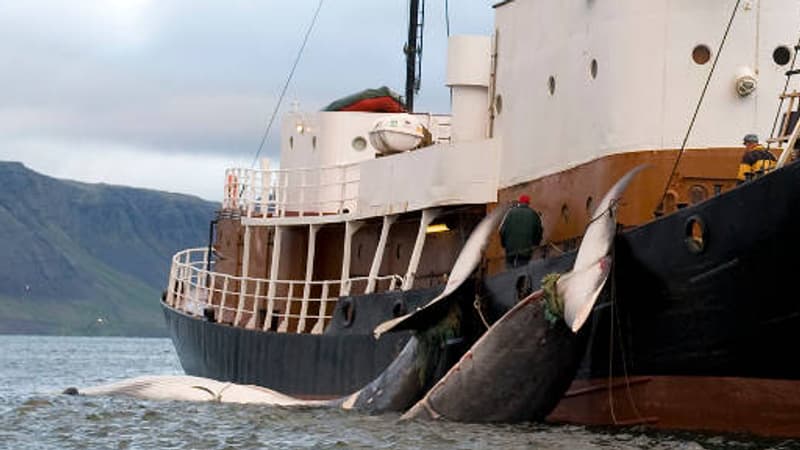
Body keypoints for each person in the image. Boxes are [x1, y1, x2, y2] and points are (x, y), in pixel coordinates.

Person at [499, 194, 543, 269]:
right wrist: (536, 243)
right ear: (528, 203)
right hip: (525, 249)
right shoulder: (533, 214)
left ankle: (510, 278)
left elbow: (502, 230)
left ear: (520, 203)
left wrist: (504, 244)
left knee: (509, 269)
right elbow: (539, 231)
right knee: (522, 269)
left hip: (510, 249)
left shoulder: (510, 213)